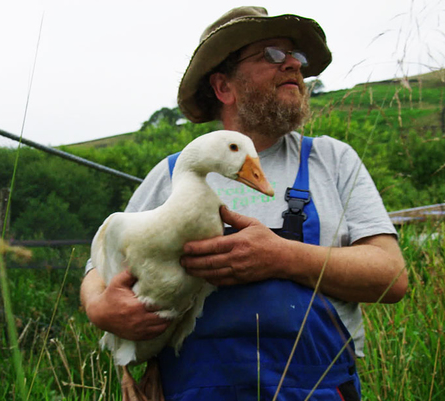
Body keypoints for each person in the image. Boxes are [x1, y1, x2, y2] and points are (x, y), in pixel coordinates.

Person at [80, 6, 408, 401]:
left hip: (315, 389)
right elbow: (98, 270)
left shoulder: (332, 160)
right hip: (192, 390)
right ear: (223, 87)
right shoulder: (170, 174)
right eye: (272, 54)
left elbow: (391, 276)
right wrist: (100, 308)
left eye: (297, 57)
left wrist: (282, 257)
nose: (293, 65)